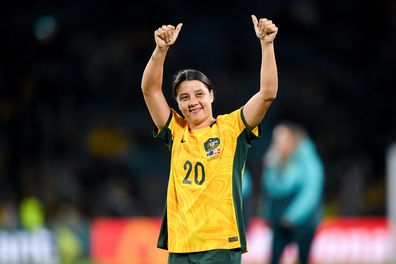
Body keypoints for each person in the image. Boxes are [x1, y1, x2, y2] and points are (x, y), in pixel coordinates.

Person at [141, 15, 278, 264]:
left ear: (211, 96)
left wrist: (267, 45)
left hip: (219, 243)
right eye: (184, 98)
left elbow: (267, 93)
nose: (192, 102)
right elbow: (150, 90)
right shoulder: (176, 130)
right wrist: (160, 51)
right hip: (181, 244)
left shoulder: (232, 127)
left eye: (199, 94)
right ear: (178, 104)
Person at [261, 122, 324, 264]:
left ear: (293, 140)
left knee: (303, 258)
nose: (278, 144)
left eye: (282, 140)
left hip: (303, 223)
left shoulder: (308, 160)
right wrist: (271, 166)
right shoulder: (277, 159)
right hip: (281, 221)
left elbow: (311, 193)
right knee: (274, 257)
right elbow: (272, 189)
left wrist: (292, 215)